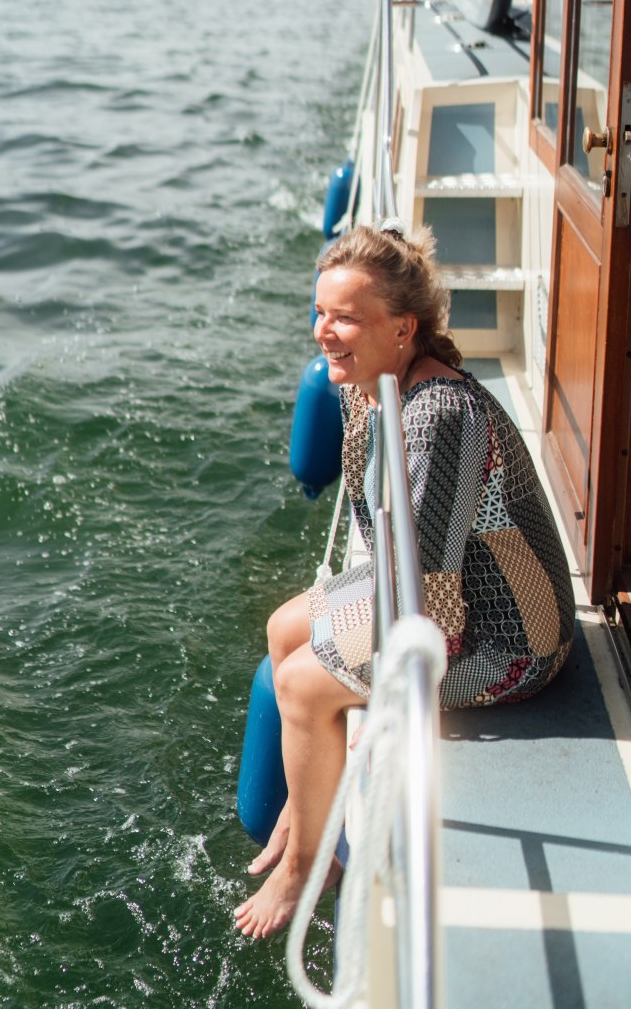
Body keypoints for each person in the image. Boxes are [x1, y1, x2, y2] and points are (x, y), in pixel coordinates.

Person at [234, 222, 576, 939]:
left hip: (508, 637)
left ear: (403, 328)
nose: (326, 331)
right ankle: (309, 794)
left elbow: (432, 615)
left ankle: (304, 866)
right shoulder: (378, 381)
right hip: (432, 591)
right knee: (284, 627)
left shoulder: (438, 417)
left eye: (347, 317)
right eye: (321, 312)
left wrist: (340, 672)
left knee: (299, 684)